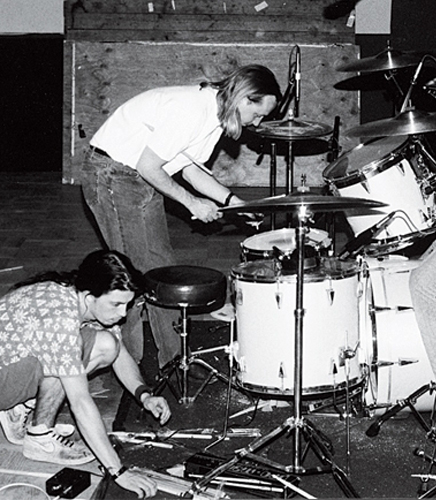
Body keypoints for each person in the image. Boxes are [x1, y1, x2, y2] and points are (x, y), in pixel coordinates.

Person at [81, 64, 281, 369]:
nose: (258, 122)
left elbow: (190, 170)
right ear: (244, 98)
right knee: (130, 273)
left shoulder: (215, 114)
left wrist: (235, 203)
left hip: (136, 177)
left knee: (160, 268)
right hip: (113, 174)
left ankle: (174, 361)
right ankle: (129, 364)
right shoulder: (192, 110)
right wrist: (192, 203)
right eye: (257, 114)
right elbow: (149, 167)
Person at [0, 250, 171, 498]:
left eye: (127, 304)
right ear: (90, 297)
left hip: (9, 365)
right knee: (68, 359)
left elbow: (119, 352)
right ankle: (39, 437)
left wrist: (144, 395)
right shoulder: (60, 321)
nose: (123, 313)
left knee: (107, 345)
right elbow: (80, 402)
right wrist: (118, 471)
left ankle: (18, 407)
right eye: (116, 304)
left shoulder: (77, 293)